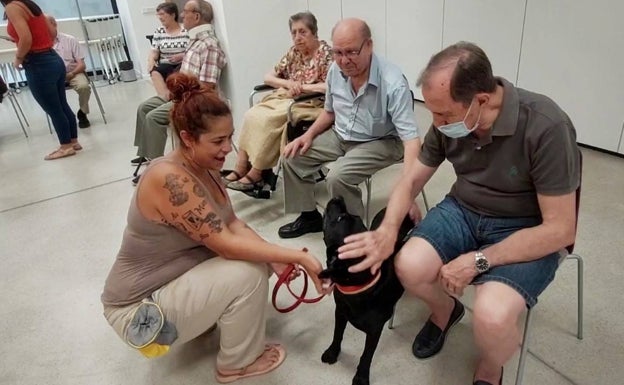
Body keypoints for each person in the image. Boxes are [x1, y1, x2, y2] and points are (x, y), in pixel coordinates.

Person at [338, 42, 581, 385]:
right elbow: (410, 182)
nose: (436, 124)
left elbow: (560, 230)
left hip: (526, 227)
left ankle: (490, 365)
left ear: (481, 100)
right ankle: (445, 311)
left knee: (492, 316)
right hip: (465, 209)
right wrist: (387, 231)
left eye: (444, 116)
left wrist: (479, 260)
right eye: (433, 114)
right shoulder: (451, 121)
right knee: (407, 264)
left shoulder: (546, 126)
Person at [102, 72, 329, 384]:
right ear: (187, 138)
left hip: (162, 287)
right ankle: (237, 364)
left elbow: (232, 223)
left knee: (258, 261)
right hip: (136, 314)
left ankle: (203, 319)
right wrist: (297, 257)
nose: (228, 148)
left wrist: (276, 259)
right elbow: (224, 243)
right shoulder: (169, 178)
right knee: (247, 273)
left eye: (230, 137)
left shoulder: (203, 166)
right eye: (218, 141)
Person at [277, 18, 421, 239]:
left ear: (369, 45)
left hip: (381, 141)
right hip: (342, 134)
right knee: (292, 156)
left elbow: (411, 140)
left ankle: (353, 233)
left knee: (337, 176)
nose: (344, 61)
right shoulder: (336, 71)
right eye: (338, 52)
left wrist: (409, 191)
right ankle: (309, 216)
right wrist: (307, 136)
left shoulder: (392, 82)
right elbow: (329, 112)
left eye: (351, 52)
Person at [224, 11, 332, 192]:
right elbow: (268, 77)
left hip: (313, 103)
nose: (297, 37)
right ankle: (242, 166)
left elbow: (330, 86)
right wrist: (289, 83)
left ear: (314, 32)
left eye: (302, 32)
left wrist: (303, 87)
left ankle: (257, 173)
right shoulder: (293, 53)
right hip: (287, 97)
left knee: (268, 120)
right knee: (252, 114)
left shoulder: (326, 54)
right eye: (294, 33)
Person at [131, 0, 226, 182]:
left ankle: (155, 168)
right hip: (183, 94)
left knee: (154, 118)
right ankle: (147, 154)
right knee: (144, 107)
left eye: (186, 12)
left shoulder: (209, 45)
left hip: (196, 100)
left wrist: (180, 93)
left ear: (196, 17)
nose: (182, 15)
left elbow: (206, 88)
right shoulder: (194, 40)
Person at [2, 0, 80, 160]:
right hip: (53, 59)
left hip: (38, 63)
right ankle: (73, 141)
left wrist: (18, 57)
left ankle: (65, 147)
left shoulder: (12, 7)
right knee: (61, 104)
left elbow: (26, 38)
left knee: (53, 109)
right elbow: (51, 33)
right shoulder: (29, 4)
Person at [47, 14, 92, 128]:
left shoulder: (69, 40)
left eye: (45, 26)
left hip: (73, 72)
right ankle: (62, 117)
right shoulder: (42, 44)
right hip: (53, 76)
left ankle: (82, 112)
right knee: (49, 93)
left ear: (54, 24)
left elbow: (81, 65)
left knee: (84, 87)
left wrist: (71, 74)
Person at [147, 2, 189, 99]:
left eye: (162, 14)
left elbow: (193, 49)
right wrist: (151, 60)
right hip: (165, 63)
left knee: (179, 74)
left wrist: (182, 55)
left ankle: (178, 99)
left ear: (173, 15)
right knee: (154, 71)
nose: (160, 17)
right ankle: (165, 99)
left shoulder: (185, 29)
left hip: (182, 63)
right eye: (158, 15)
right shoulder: (159, 31)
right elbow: (154, 51)